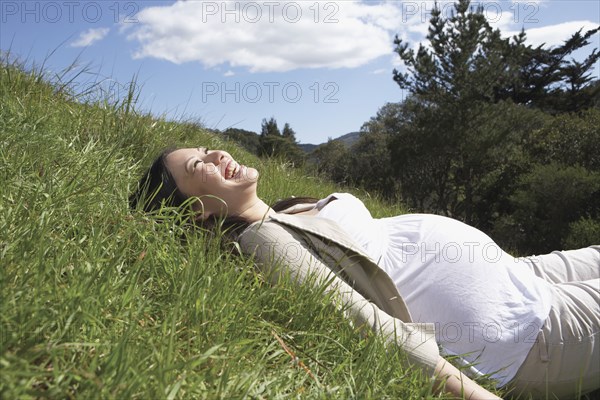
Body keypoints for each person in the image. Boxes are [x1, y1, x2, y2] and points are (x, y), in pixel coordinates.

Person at [130, 147, 600, 400]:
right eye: (199, 166)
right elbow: (369, 327)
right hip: (531, 336)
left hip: (521, 276)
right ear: (197, 214)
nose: (215, 156)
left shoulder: (284, 211)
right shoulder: (262, 240)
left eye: (208, 149)